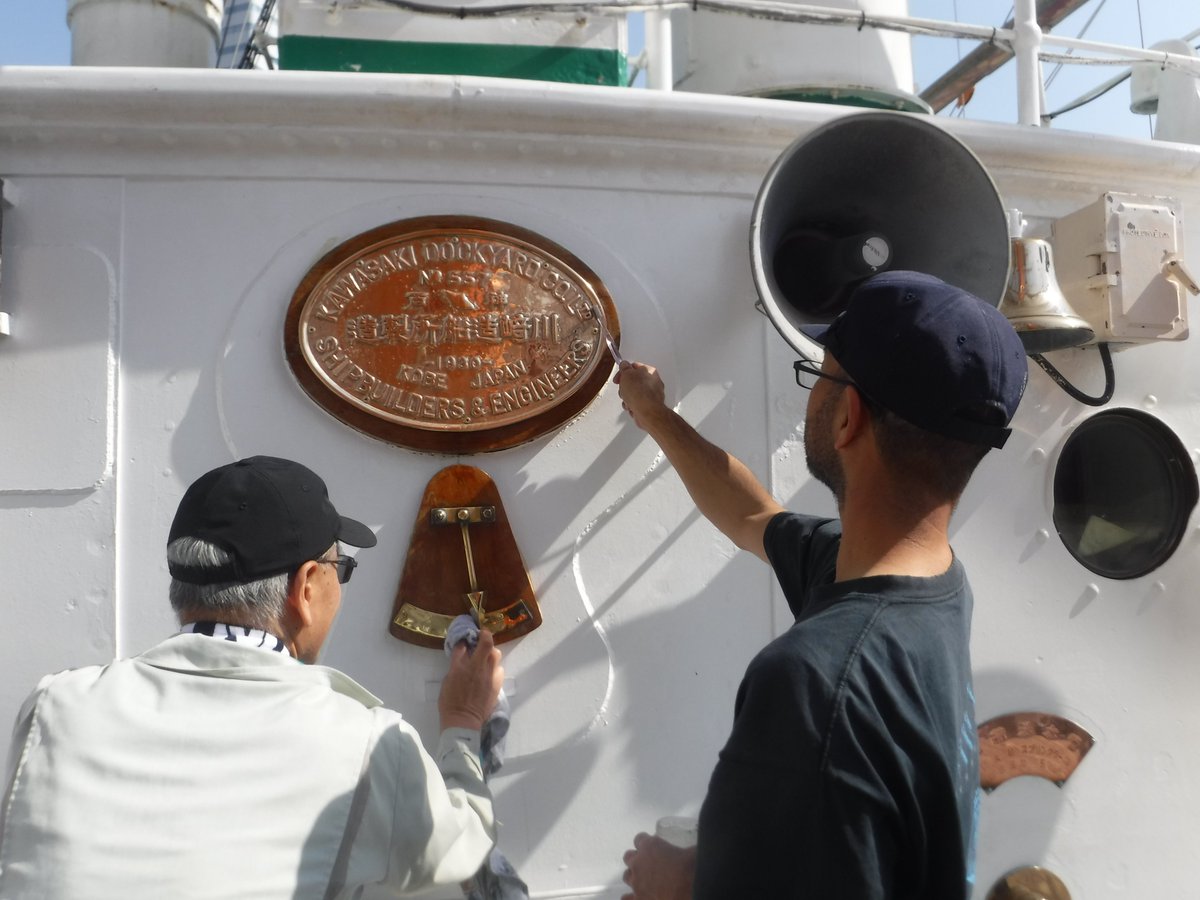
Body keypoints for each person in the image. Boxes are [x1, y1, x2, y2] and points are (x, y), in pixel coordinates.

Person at [617, 271, 1028, 899]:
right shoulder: (935, 588)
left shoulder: (815, 684)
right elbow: (755, 517)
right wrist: (657, 418)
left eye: (821, 375)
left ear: (847, 417)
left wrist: (675, 885)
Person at [0, 455, 504, 899]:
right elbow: (459, 849)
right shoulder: (366, 741)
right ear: (306, 588)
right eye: (340, 568)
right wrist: (462, 722)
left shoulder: (55, 704)